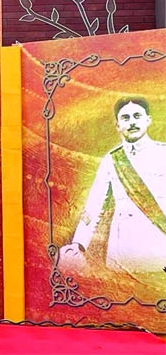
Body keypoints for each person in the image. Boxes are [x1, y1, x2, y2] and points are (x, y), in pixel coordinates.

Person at [60, 96, 166, 277]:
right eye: (126, 118)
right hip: (123, 247)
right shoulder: (112, 159)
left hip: (159, 243)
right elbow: (94, 203)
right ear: (117, 125)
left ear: (148, 120)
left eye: (137, 116)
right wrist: (79, 243)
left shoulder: (162, 152)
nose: (132, 122)